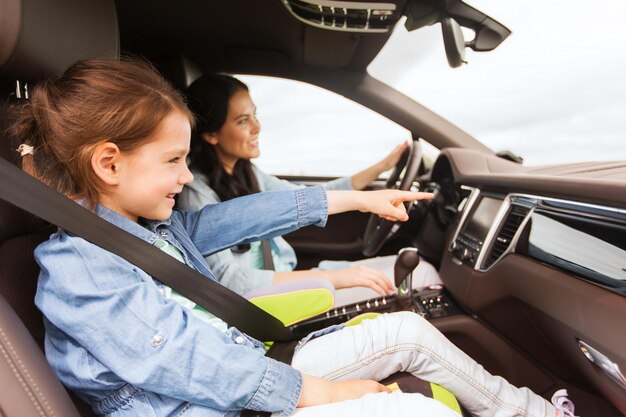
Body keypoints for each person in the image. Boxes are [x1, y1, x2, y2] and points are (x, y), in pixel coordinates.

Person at [13, 58, 574, 417]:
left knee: (406, 332)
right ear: (109, 164)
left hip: (242, 371)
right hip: (203, 406)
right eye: (174, 161)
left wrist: (357, 197)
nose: (187, 178)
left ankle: (538, 415)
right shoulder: (82, 268)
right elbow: (184, 364)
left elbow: (251, 214)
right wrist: (324, 392)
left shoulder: (153, 229)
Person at [177, 74, 442, 304]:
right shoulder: (196, 193)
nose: (257, 127)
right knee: (423, 275)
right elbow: (227, 279)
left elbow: (304, 198)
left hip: (289, 280)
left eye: (255, 115)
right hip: (267, 301)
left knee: (419, 271)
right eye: (243, 121)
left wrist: (381, 167)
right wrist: (331, 278)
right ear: (211, 134)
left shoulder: (246, 173)